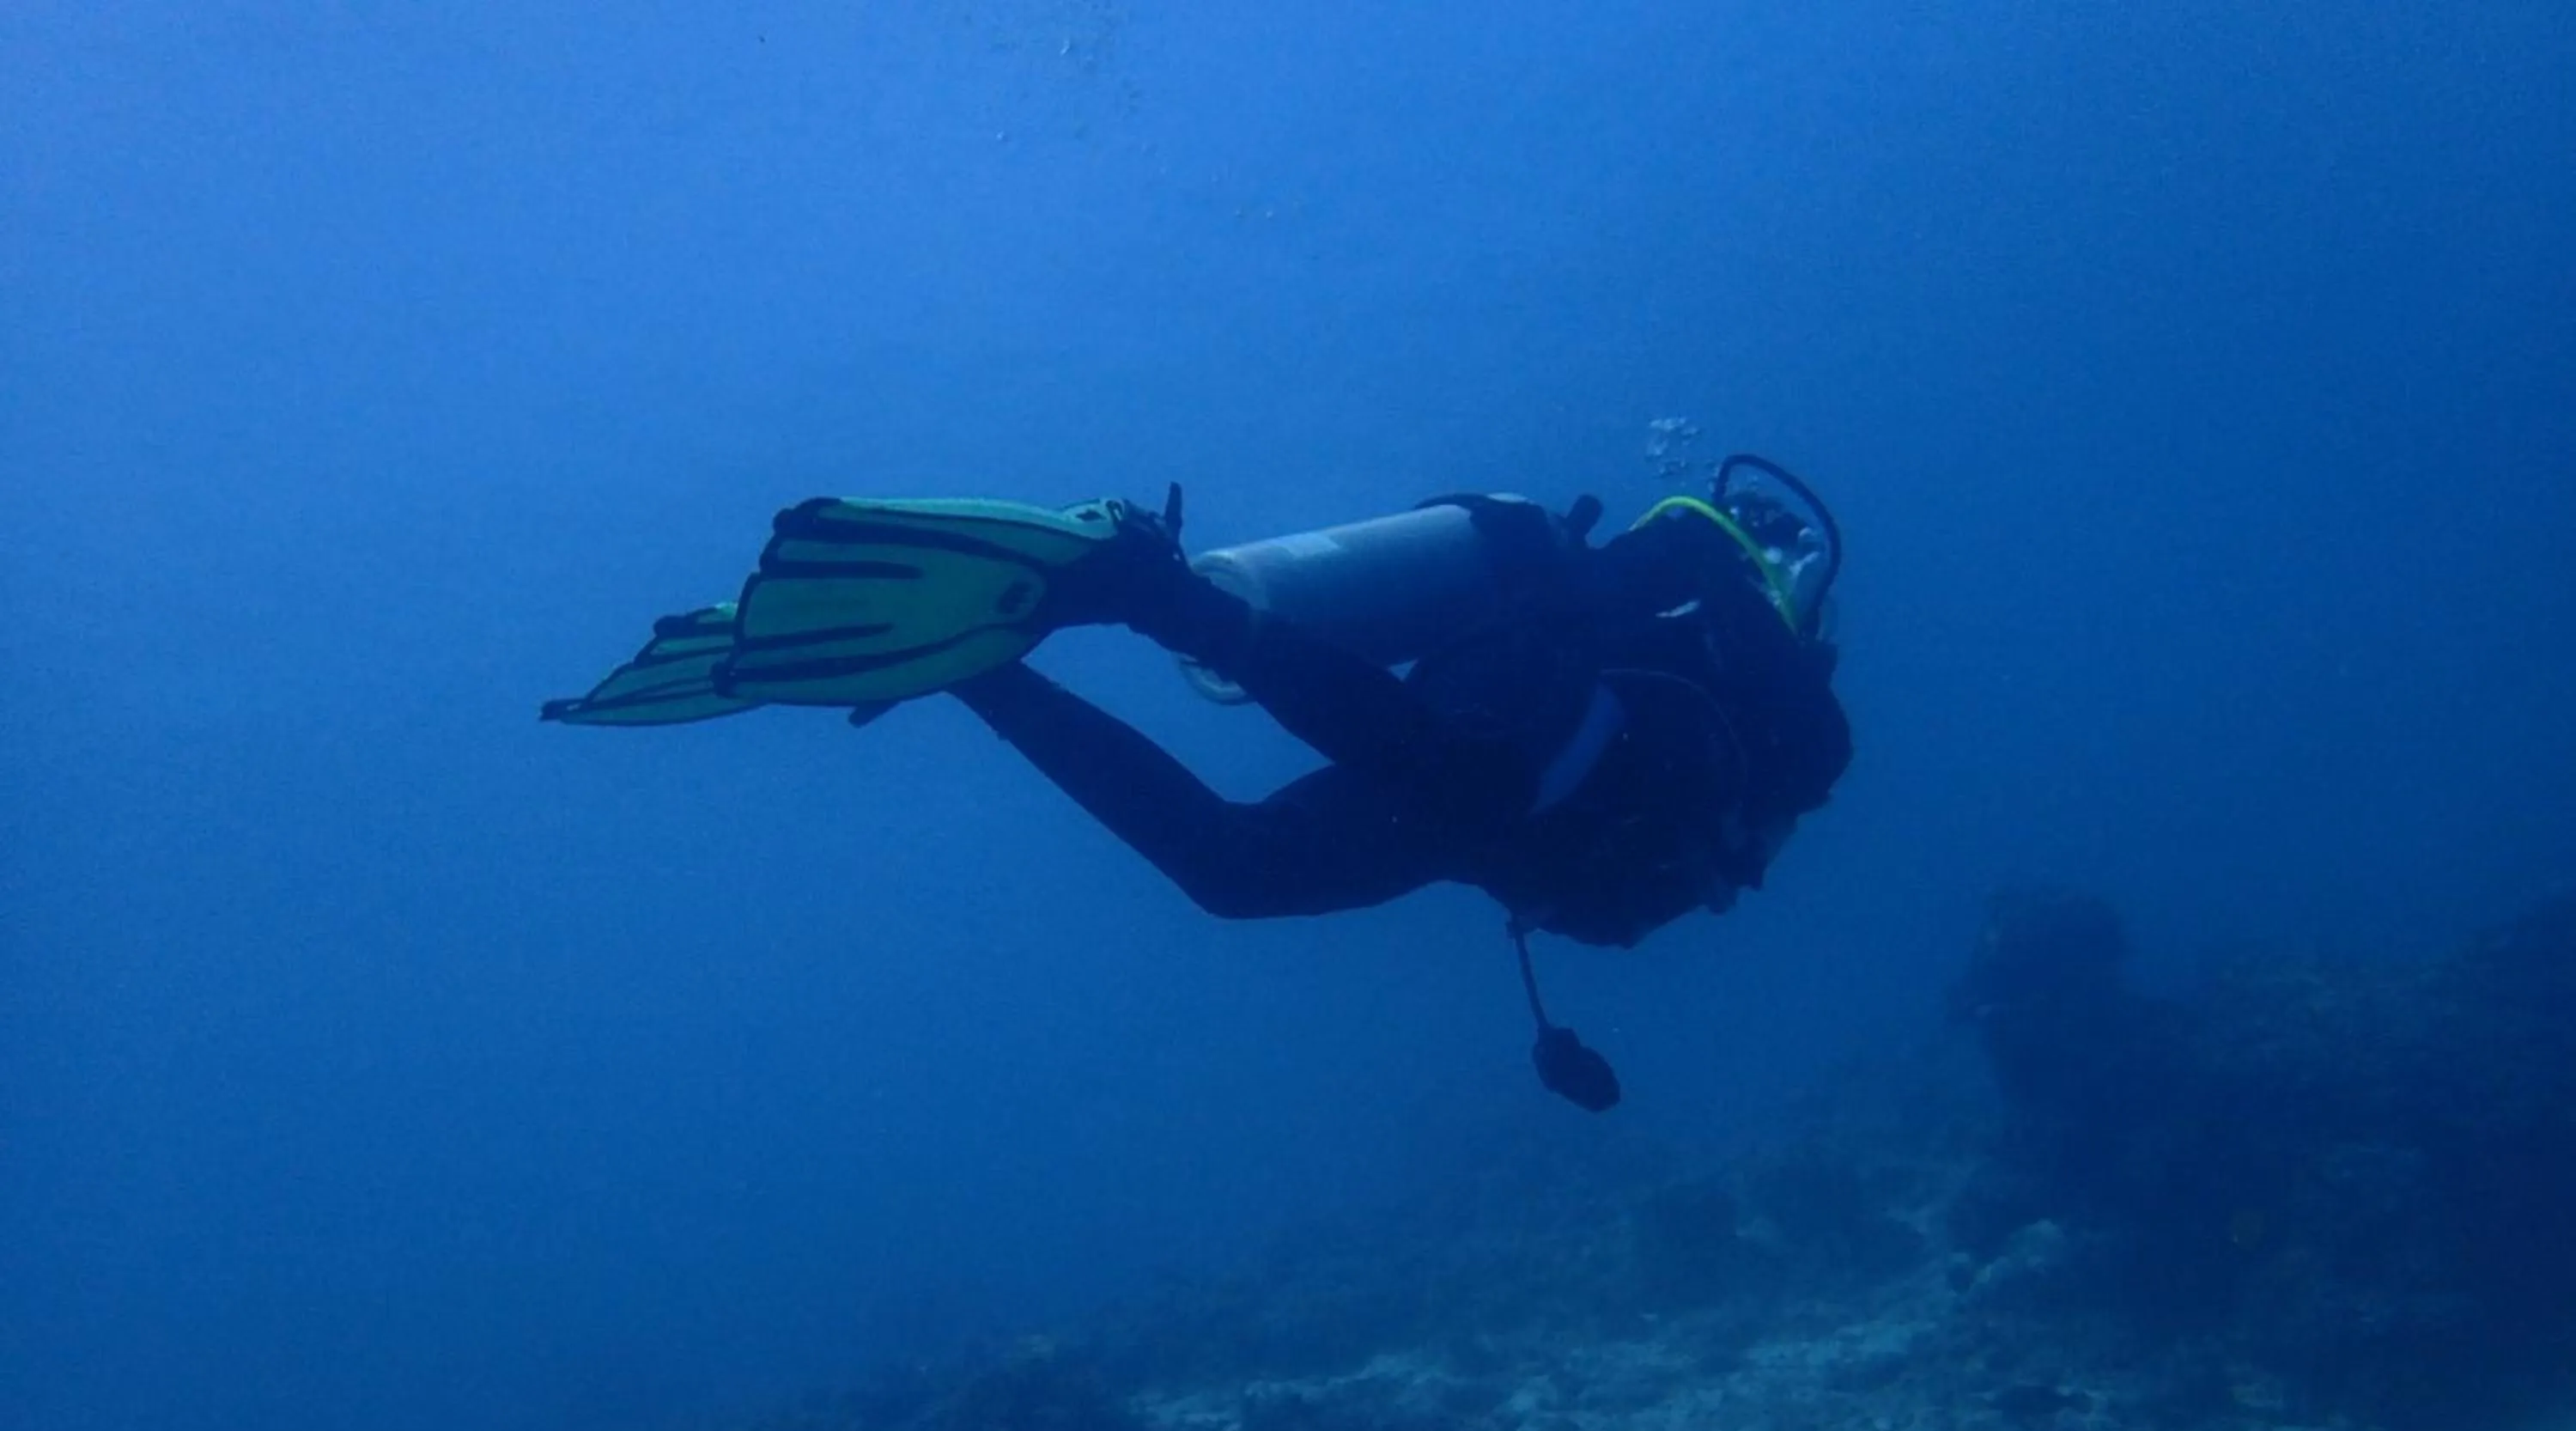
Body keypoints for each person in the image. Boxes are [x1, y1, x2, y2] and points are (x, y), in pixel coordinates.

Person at [545, 458, 1854, 1108]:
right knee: (1449, 774)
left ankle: (978, 670)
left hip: (1517, 794)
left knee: (1238, 874)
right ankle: (1155, 592)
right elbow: (1628, 684)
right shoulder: (1774, 719)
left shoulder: (1760, 725)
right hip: (1549, 731)